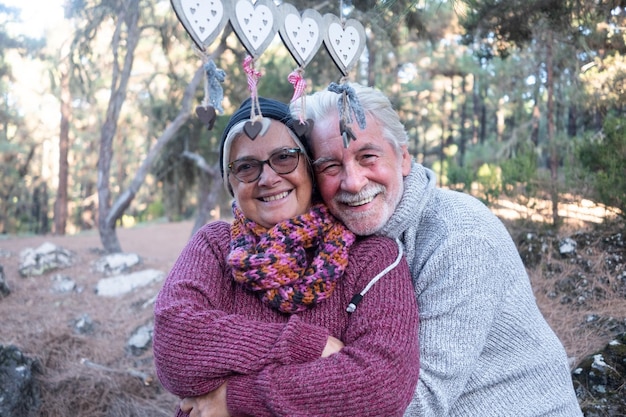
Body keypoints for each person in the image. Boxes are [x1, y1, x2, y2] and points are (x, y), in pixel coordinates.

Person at [290, 82, 584, 417]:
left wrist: (243, 400)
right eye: (330, 166)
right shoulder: (331, 240)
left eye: (368, 156)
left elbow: (417, 400)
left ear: (403, 157)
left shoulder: (458, 235)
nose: (353, 182)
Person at [152, 97, 420, 417]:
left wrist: (234, 399)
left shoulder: (371, 258)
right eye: (246, 167)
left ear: (309, 167)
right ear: (231, 184)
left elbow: (381, 385)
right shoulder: (214, 246)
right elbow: (174, 348)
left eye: (284, 158)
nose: (268, 178)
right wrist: (302, 346)